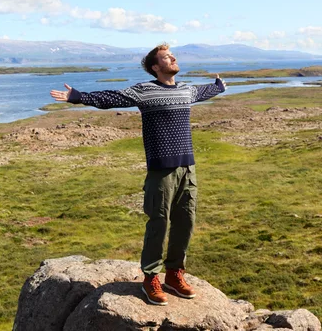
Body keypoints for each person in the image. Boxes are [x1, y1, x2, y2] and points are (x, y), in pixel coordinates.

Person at [50, 43, 226, 306]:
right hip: (161, 170)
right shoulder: (145, 90)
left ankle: (175, 275)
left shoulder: (185, 90)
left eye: (172, 55)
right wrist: (78, 96)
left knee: (185, 222)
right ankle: (150, 278)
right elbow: (112, 98)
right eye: (167, 57)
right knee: (158, 223)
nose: (173, 58)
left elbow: (205, 92)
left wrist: (219, 86)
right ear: (156, 67)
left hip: (187, 168)